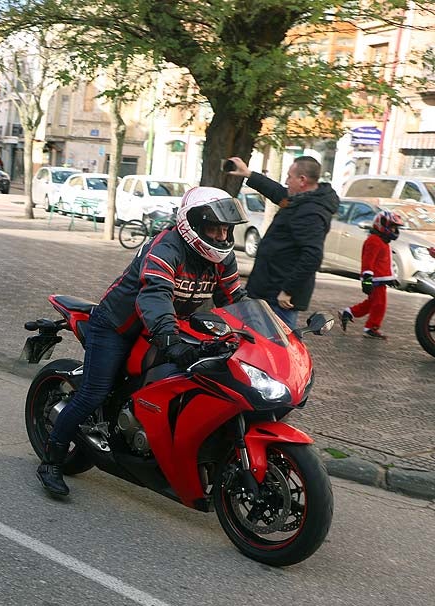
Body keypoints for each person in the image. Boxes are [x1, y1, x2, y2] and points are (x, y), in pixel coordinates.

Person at [36, 187, 248, 497]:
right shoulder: (166, 249)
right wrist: (171, 340)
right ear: (193, 225)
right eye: (213, 228)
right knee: (95, 391)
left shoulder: (222, 259)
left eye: (225, 229)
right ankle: (51, 461)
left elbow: (234, 300)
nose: (220, 236)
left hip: (164, 329)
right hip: (117, 327)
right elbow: (155, 295)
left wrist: (263, 331)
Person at [227, 156, 338, 329]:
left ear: (302, 180)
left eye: (289, 177)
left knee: (277, 347)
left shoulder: (311, 212)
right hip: (269, 287)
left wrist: (288, 290)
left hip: (279, 296)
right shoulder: (301, 199)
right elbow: (277, 192)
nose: (286, 181)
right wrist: (248, 173)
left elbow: (313, 255)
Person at [340, 210, 403, 339]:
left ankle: (348, 312)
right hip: (375, 280)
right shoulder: (374, 241)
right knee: (379, 305)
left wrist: (391, 279)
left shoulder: (382, 242)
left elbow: (383, 263)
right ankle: (371, 328)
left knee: (371, 303)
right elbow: (368, 262)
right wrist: (367, 280)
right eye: (392, 227)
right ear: (382, 225)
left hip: (379, 280)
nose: (394, 230)